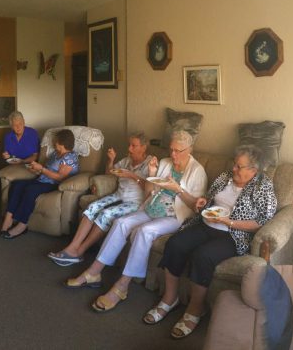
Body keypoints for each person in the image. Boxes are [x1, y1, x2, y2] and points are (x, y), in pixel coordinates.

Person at [63, 130, 208, 313]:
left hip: (174, 216)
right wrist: (153, 173)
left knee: (144, 231)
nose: (173, 154)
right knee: (121, 223)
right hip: (151, 207)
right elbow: (148, 191)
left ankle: (122, 285)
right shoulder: (164, 163)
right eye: (171, 150)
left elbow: (196, 207)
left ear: (190, 149)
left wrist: (177, 189)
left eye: (178, 151)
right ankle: (94, 272)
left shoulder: (197, 171)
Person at [144, 144, 277, 339]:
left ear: (253, 170)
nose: (234, 169)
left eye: (239, 167)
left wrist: (229, 221)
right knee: (175, 244)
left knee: (203, 256)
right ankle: (169, 298)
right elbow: (209, 199)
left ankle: (196, 309)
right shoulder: (225, 177)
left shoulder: (262, 186)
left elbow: (261, 221)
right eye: (234, 164)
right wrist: (202, 202)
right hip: (206, 224)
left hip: (233, 234)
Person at [48, 132, 154, 266]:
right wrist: (110, 160)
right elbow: (109, 173)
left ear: (144, 147)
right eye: (129, 145)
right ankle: (71, 247)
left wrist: (132, 176)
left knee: (106, 214)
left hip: (135, 202)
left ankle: (79, 251)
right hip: (118, 195)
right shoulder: (126, 160)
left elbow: (151, 188)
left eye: (134, 146)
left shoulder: (150, 163)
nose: (129, 149)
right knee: (92, 207)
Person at [0, 129, 79, 239]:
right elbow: (46, 169)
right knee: (17, 184)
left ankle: (22, 225)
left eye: (55, 141)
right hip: (42, 179)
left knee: (30, 190)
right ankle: (8, 218)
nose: (53, 142)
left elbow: (60, 177)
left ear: (62, 143)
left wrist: (41, 169)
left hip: (54, 184)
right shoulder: (56, 153)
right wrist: (35, 169)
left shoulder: (70, 157)